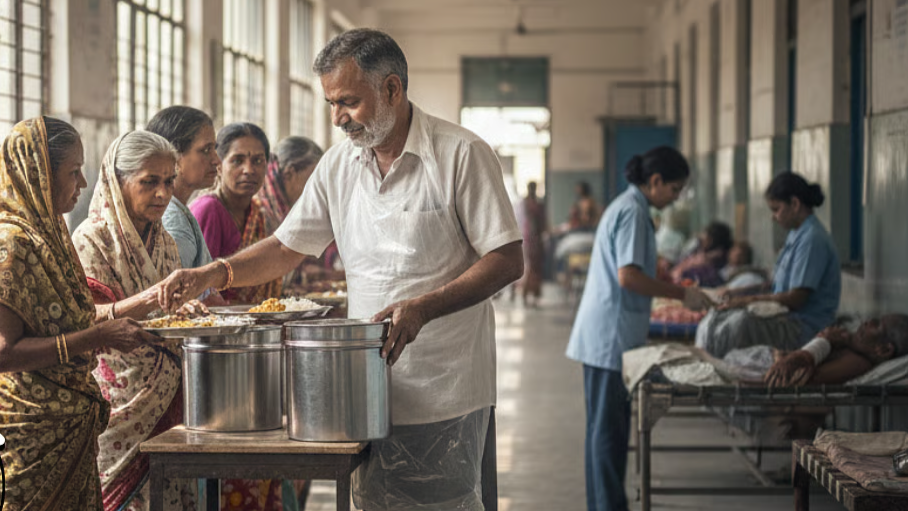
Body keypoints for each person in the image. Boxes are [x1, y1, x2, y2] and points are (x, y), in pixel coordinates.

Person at [156, 28, 524, 511]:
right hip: (362, 390)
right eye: (332, 103)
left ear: (392, 89)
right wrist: (215, 273)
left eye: (348, 101)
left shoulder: (460, 155)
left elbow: (506, 257)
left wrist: (425, 307)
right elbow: (288, 246)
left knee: (442, 501)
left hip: (443, 386)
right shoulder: (340, 165)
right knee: (372, 501)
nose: (337, 118)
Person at [0, 117, 160, 510]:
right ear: (39, 174)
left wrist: (120, 323)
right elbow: (4, 353)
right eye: (73, 172)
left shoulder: (50, 233)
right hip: (33, 432)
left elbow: (73, 316)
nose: (83, 184)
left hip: (71, 423)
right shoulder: (11, 245)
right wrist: (98, 337)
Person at [565, 146, 713, 511]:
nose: (676, 198)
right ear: (656, 181)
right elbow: (628, 276)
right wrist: (682, 294)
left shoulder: (629, 207)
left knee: (606, 432)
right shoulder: (632, 212)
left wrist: (661, 275)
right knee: (608, 435)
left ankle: (604, 503)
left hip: (611, 335)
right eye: (674, 190)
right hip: (609, 339)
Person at [71, 131, 199, 511]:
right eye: (149, 182)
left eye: (169, 181)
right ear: (118, 180)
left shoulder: (165, 242)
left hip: (168, 393)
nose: (163, 194)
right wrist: (150, 299)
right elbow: (84, 318)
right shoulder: (90, 241)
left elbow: (169, 310)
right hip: (118, 402)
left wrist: (186, 309)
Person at [700, 172, 842, 357]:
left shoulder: (812, 239)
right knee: (719, 316)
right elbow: (776, 287)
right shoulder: (796, 234)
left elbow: (796, 298)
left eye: (776, 209)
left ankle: (720, 373)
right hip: (789, 318)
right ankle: (711, 363)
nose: (773, 217)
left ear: (795, 204)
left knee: (740, 325)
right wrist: (734, 294)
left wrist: (745, 302)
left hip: (804, 328)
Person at [190, 123, 282, 304]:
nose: (249, 170)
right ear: (219, 165)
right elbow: (201, 291)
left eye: (257, 161)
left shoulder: (258, 213)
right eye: (237, 161)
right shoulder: (208, 210)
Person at [146, 106, 221, 272]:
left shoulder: (173, 210)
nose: (216, 160)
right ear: (175, 156)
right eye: (206, 150)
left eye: (214, 149)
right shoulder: (172, 221)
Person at [257, 136, 328, 288]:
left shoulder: (284, 211)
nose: (317, 190)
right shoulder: (260, 211)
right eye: (312, 181)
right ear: (290, 173)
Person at [764, 314, 908, 387]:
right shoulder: (846, 347)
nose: (866, 322)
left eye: (875, 325)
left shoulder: (858, 362)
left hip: (762, 373)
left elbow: (798, 378)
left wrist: (823, 342)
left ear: (884, 350)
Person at [669, 221, 733, 287]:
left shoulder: (713, 263)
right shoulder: (699, 250)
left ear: (712, 240)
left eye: (705, 234)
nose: (701, 237)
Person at [516, 180, 547, 307]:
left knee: (535, 268)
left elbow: (543, 223)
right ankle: (527, 294)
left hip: (534, 239)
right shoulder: (526, 204)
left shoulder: (536, 205)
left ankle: (532, 295)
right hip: (529, 239)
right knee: (531, 268)